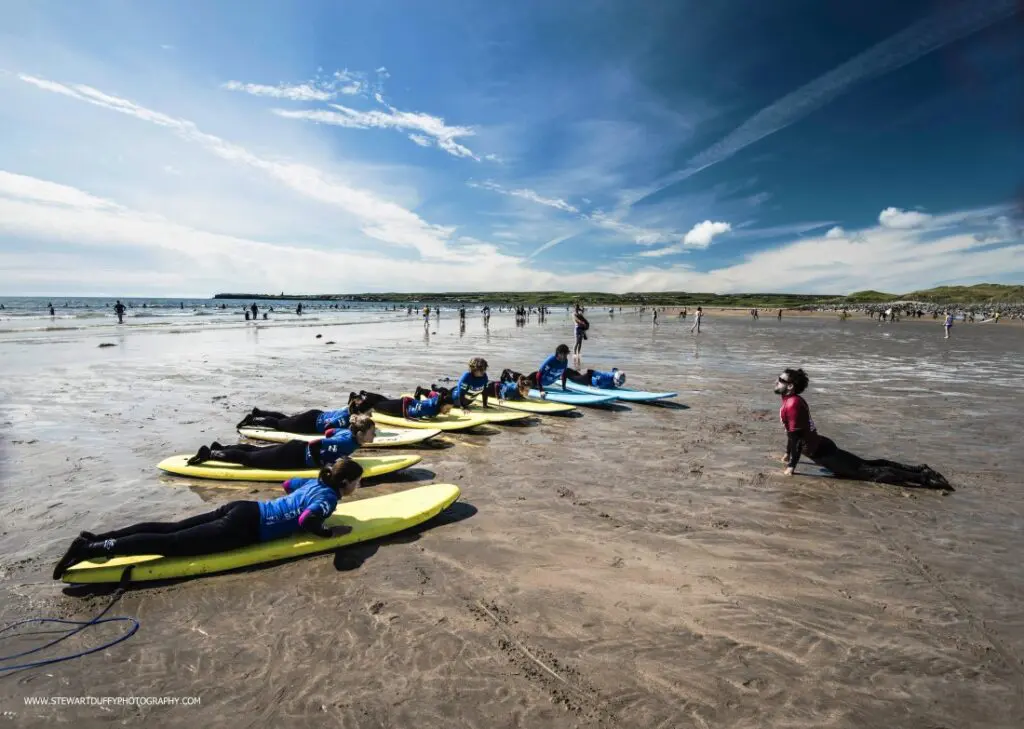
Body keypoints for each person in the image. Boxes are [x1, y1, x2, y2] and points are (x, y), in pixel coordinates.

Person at [52, 457, 364, 579]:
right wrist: (329, 534)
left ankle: (96, 538)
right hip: (245, 527)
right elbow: (306, 522)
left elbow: (286, 485)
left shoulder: (316, 482)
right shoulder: (327, 498)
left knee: (171, 529)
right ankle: (88, 550)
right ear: (343, 484)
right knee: (171, 544)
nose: (358, 486)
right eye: (357, 482)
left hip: (244, 508)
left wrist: (290, 505)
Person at [775, 368, 951, 489]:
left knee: (872, 473)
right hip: (822, 445)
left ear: (790, 386)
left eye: (781, 380)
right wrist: (788, 454)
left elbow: (796, 438)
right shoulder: (791, 401)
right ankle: (919, 469)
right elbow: (792, 434)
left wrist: (791, 466)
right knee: (866, 465)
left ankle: (923, 477)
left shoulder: (792, 404)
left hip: (822, 453)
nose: (777, 382)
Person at [186, 414, 376, 469]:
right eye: (372, 433)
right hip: (295, 456)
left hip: (295, 448)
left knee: (254, 451)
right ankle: (209, 454)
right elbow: (316, 444)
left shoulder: (347, 434)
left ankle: (222, 448)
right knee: (250, 459)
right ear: (361, 433)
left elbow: (330, 432)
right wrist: (325, 463)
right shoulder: (348, 443)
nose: (374, 437)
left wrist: (336, 455)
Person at [236, 394, 375, 432]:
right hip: (309, 423)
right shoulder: (346, 417)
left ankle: (259, 412)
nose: (371, 416)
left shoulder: (348, 411)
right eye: (369, 413)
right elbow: (328, 426)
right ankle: (252, 420)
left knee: (286, 420)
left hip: (314, 416)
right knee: (279, 425)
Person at [358, 387, 455, 420]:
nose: (447, 412)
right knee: (376, 406)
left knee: (384, 402)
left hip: (400, 406)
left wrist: (422, 391)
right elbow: (406, 399)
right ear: (442, 404)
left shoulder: (437, 402)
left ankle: (365, 394)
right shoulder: (429, 406)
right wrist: (406, 415)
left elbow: (433, 395)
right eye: (447, 409)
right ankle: (359, 400)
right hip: (398, 409)